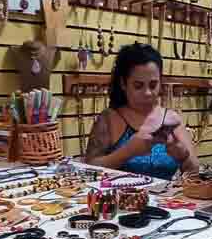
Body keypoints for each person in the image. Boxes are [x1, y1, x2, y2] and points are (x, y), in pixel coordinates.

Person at [85, 43, 199, 180]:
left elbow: (194, 172)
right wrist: (127, 152)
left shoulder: (171, 119)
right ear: (123, 84)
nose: (147, 93)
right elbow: (88, 169)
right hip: (119, 193)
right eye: (138, 86)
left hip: (167, 194)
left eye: (153, 85)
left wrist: (183, 156)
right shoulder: (109, 118)